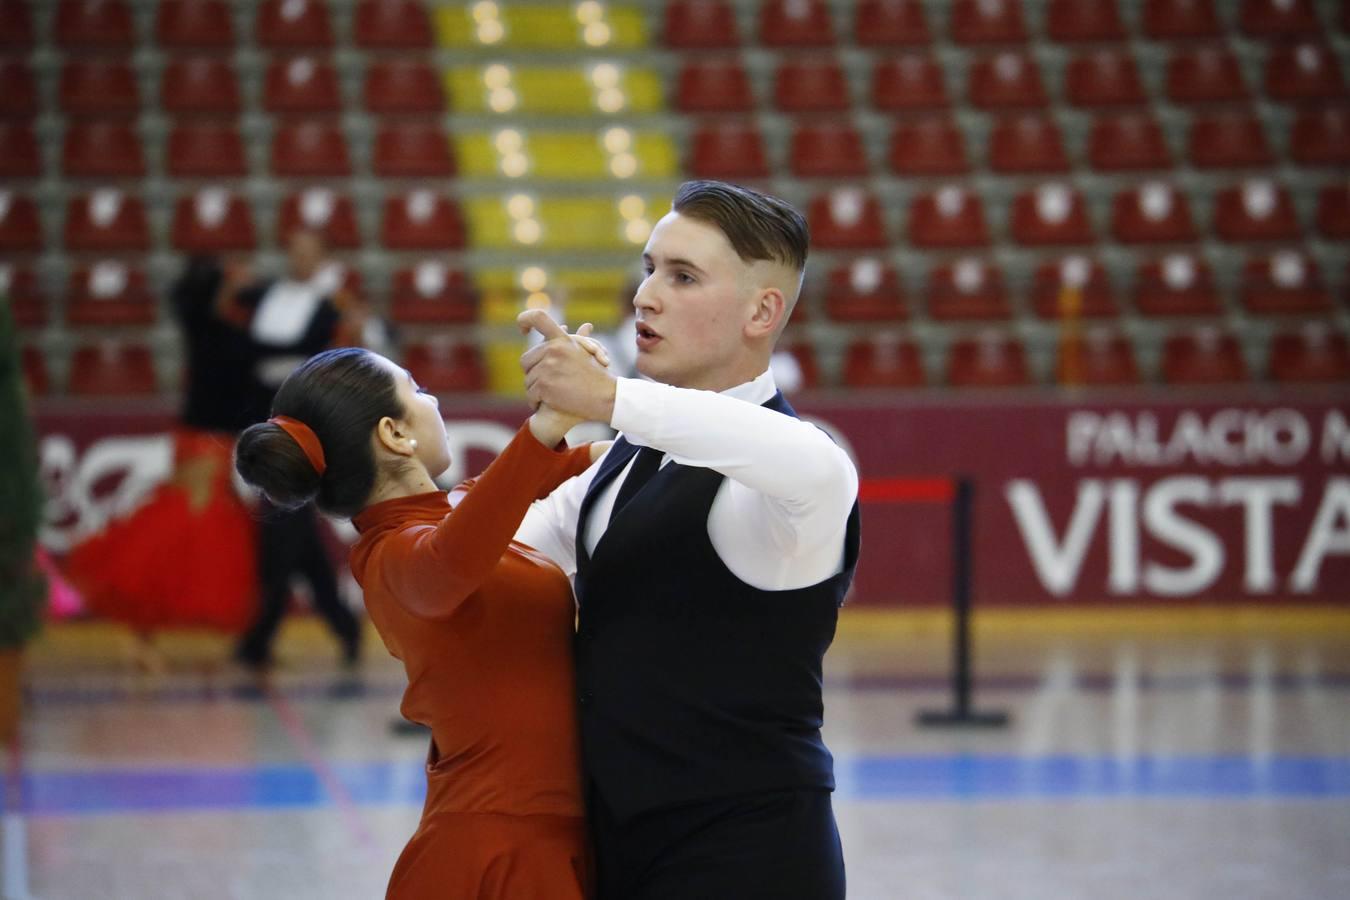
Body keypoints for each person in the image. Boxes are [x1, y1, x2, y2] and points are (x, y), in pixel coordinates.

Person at [515, 180, 861, 900]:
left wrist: (608, 399)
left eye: (682, 277)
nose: (644, 297)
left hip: (748, 856)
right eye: (648, 269)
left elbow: (805, 460)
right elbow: (490, 551)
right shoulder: (622, 460)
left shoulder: (798, 471)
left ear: (762, 311)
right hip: (617, 845)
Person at [232, 339, 610, 899]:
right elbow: (449, 562)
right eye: (418, 390)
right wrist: (545, 425)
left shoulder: (461, 510)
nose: (433, 400)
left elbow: (602, 463)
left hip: (542, 832)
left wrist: (610, 397)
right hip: (499, 848)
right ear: (394, 434)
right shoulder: (390, 558)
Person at [66, 256, 261, 667]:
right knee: (190, 531)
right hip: (207, 444)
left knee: (192, 529)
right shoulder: (226, 335)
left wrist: (229, 283)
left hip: (199, 441)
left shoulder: (206, 329)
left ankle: (148, 637)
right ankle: (148, 635)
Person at [228, 229, 369, 670]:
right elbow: (247, 346)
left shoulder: (332, 304)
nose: (298, 259)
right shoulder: (273, 295)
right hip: (265, 414)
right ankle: (342, 624)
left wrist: (268, 353)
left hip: (303, 420)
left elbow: (311, 349)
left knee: (282, 524)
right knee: (294, 533)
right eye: (293, 250)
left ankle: (261, 635)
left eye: (307, 253)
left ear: (323, 257)